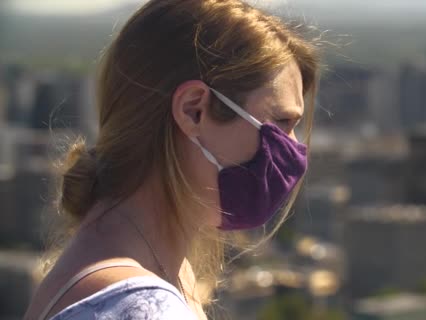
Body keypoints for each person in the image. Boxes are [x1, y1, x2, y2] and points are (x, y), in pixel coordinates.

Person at [23, 0, 320, 319]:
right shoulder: (145, 308)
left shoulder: (104, 262)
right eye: (281, 123)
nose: (293, 150)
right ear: (194, 110)